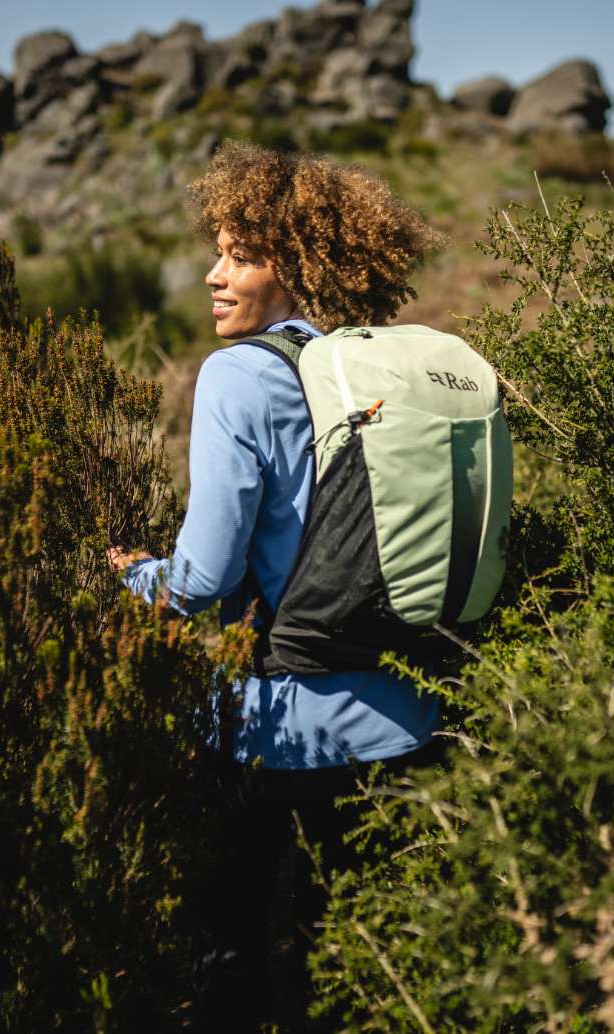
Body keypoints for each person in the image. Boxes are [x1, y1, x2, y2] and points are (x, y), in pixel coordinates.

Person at [105, 140, 445, 1028]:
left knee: (243, 963)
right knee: (362, 970)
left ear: (294, 266)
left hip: (283, 732)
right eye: (217, 251)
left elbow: (204, 580)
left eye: (240, 255)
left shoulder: (238, 376)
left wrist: (133, 576)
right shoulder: (380, 372)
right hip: (408, 717)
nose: (214, 276)